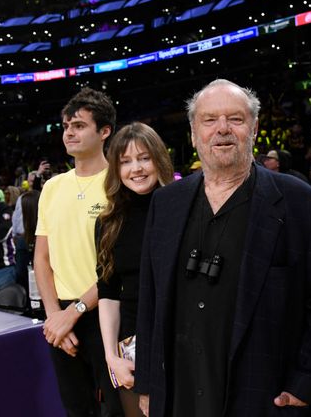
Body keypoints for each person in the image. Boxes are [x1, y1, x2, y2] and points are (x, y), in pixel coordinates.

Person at [135, 79, 311, 417]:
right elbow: (149, 300)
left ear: (254, 129)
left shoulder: (304, 205)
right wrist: (148, 384)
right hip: (179, 394)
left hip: (263, 397)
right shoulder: (166, 203)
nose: (222, 129)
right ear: (193, 133)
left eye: (235, 119)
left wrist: (305, 383)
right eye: (209, 120)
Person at [34, 87, 123, 416]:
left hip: (106, 313)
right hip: (60, 319)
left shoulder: (118, 182)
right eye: (66, 126)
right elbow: (42, 259)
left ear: (104, 131)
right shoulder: (53, 187)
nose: (69, 132)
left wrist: (72, 313)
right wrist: (54, 315)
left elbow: (118, 265)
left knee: (118, 408)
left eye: (79, 125)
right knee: (77, 409)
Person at [96, 122, 174, 417]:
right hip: (131, 347)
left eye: (144, 158)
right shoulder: (108, 222)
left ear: (159, 159)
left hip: (183, 342)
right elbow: (108, 292)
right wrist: (111, 357)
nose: (136, 169)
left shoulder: (185, 207)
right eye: (125, 161)